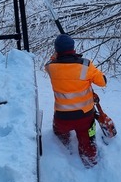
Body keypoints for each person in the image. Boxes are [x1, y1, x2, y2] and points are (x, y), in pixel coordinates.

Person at [45, 34, 107, 167]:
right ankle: (90, 161)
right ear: (73, 48)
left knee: (59, 132)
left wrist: (57, 56)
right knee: (88, 139)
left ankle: (65, 148)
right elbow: (102, 82)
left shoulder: (51, 67)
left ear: (57, 50)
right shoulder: (85, 65)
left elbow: (50, 63)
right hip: (85, 118)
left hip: (62, 119)